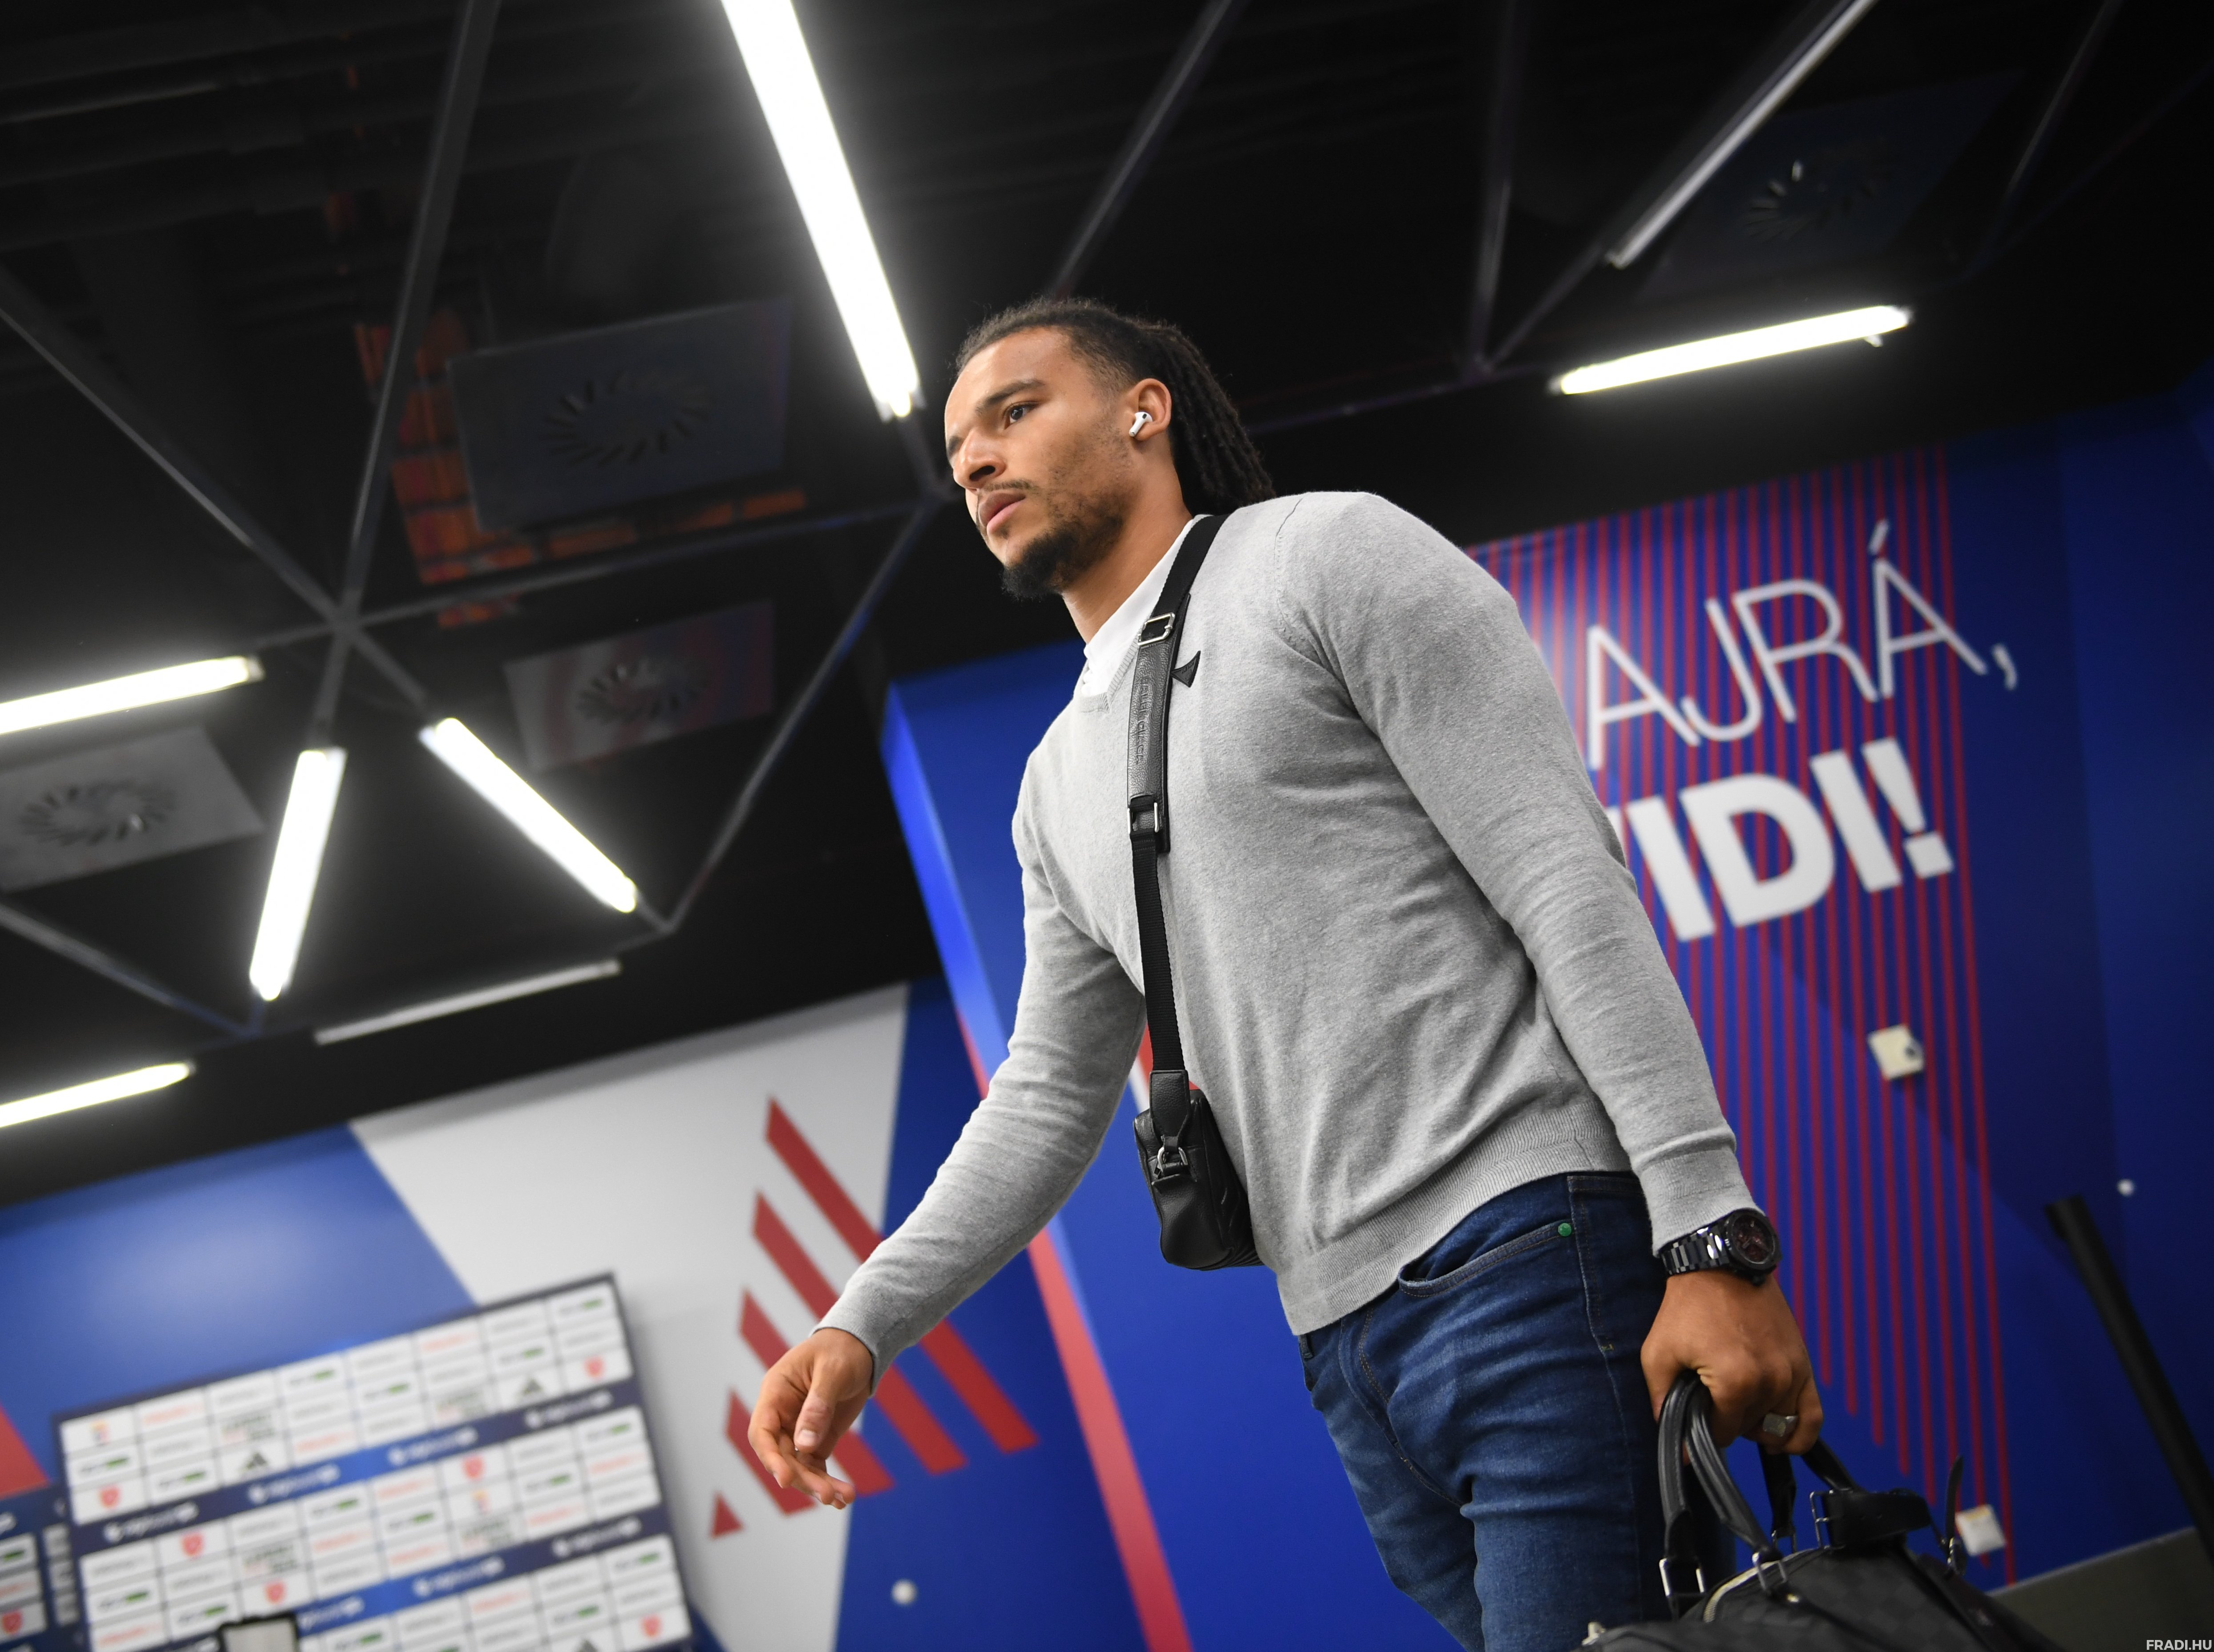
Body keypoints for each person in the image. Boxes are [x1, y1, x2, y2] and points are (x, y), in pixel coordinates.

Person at [749, 297, 1821, 1651]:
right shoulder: (1051, 785)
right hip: (1344, 1350)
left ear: (1146, 409)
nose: (975, 461)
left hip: (1532, 1258)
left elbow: (1565, 884)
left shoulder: (1327, 556)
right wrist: (863, 1323)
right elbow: (1045, 1099)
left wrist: (1713, 1237)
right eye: (960, 449)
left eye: (1015, 412)